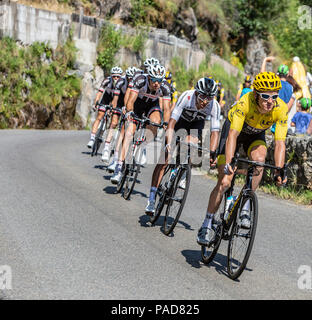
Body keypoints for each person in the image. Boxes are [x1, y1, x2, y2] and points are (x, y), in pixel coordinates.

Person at [197, 72, 288, 246]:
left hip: (255, 135)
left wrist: (279, 169)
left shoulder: (280, 108)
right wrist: (230, 161)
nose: (271, 101)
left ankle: (245, 205)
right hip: (233, 131)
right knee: (224, 182)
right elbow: (233, 134)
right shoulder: (245, 102)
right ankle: (206, 224)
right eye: (265, 96)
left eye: (274, 96)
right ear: (256, 94)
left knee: (259, 161)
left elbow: (280, 143)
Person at [145, 77, 221, 215]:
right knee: (164, 160)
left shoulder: (214, 105)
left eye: (209, 98)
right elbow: (172, 122)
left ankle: (182, 171)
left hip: (196, 124)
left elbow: (215, 132)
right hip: (180, 122)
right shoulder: (187, 96)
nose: (205, 101)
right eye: (203, 97)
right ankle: (151, 198)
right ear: (197, 93)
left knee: (192, 144)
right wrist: (168, 143)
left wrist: (212, 152)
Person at [110, 64, 171, 185]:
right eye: (154, 80)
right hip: (137, 105)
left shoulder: (165, 86)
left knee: (156, 122)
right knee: (128, 134)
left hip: (152, 106)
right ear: (149, 77)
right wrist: (129, 112)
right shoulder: (140, 80)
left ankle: (143, 147)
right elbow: (131, 100)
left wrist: (166, 123)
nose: (156, 84)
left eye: (159, 81)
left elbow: (167, 108)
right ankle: (119, 166)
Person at [87, 66, 123, 149]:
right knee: (99, 116)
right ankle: (92, 138)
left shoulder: (122, 84)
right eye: (114, 76)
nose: (116, 78)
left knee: (113, 120)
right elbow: (100, 92)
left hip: (116, 100)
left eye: (118, 76)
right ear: (111, 76)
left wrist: (113, 108)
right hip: (106, 98)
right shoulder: (107, 80)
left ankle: (104, 134)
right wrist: (96, 102)